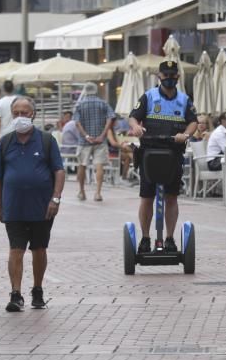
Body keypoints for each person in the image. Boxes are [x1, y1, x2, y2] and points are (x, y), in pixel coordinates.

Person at [0, 96, 64, 313]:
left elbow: (59, 171)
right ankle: (15, 294)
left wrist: (56, 198)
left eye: (25, 112)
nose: (20, 117)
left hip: (42, 207)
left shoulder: (46, 140)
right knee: (16, 249)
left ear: (32, 114)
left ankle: (38, 290)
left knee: (39, 249)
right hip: (13, 206)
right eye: (16, 113)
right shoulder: (5, 143)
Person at [128, 61, 198, 253]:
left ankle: (169, 238)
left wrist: (186, 134)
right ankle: (145, 238)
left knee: (172, 197)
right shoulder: (149, 97)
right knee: (147, 197)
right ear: (159, 76)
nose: (168, 79)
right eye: (165, 75)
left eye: (172, 76)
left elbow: (193, 122)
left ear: (177, 77)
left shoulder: (184, 100)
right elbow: (133, 116)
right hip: (149, 152)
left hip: (173, 153)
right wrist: (136, 127)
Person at [73, 82, 115, 202]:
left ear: (85, 91)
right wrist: (103, 135)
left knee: (82, 165)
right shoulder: (103, 103)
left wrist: (86, 135)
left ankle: (81, 192)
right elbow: (110, 118)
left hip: (84, 141)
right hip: (100, 141)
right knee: (99, 165)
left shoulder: (79, 104)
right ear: (96, 90)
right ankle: (97, 193)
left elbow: (77, 122)